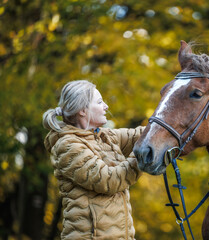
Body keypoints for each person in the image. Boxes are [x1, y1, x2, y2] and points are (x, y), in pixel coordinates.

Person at [43, 80, 144, 239]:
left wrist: (166, 125)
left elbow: (139, 135)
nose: (106, 106)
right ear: (83, 110)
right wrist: (143, 155)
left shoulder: (105, 136)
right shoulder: (68, 146)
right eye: (99, 102)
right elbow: (109, 180)